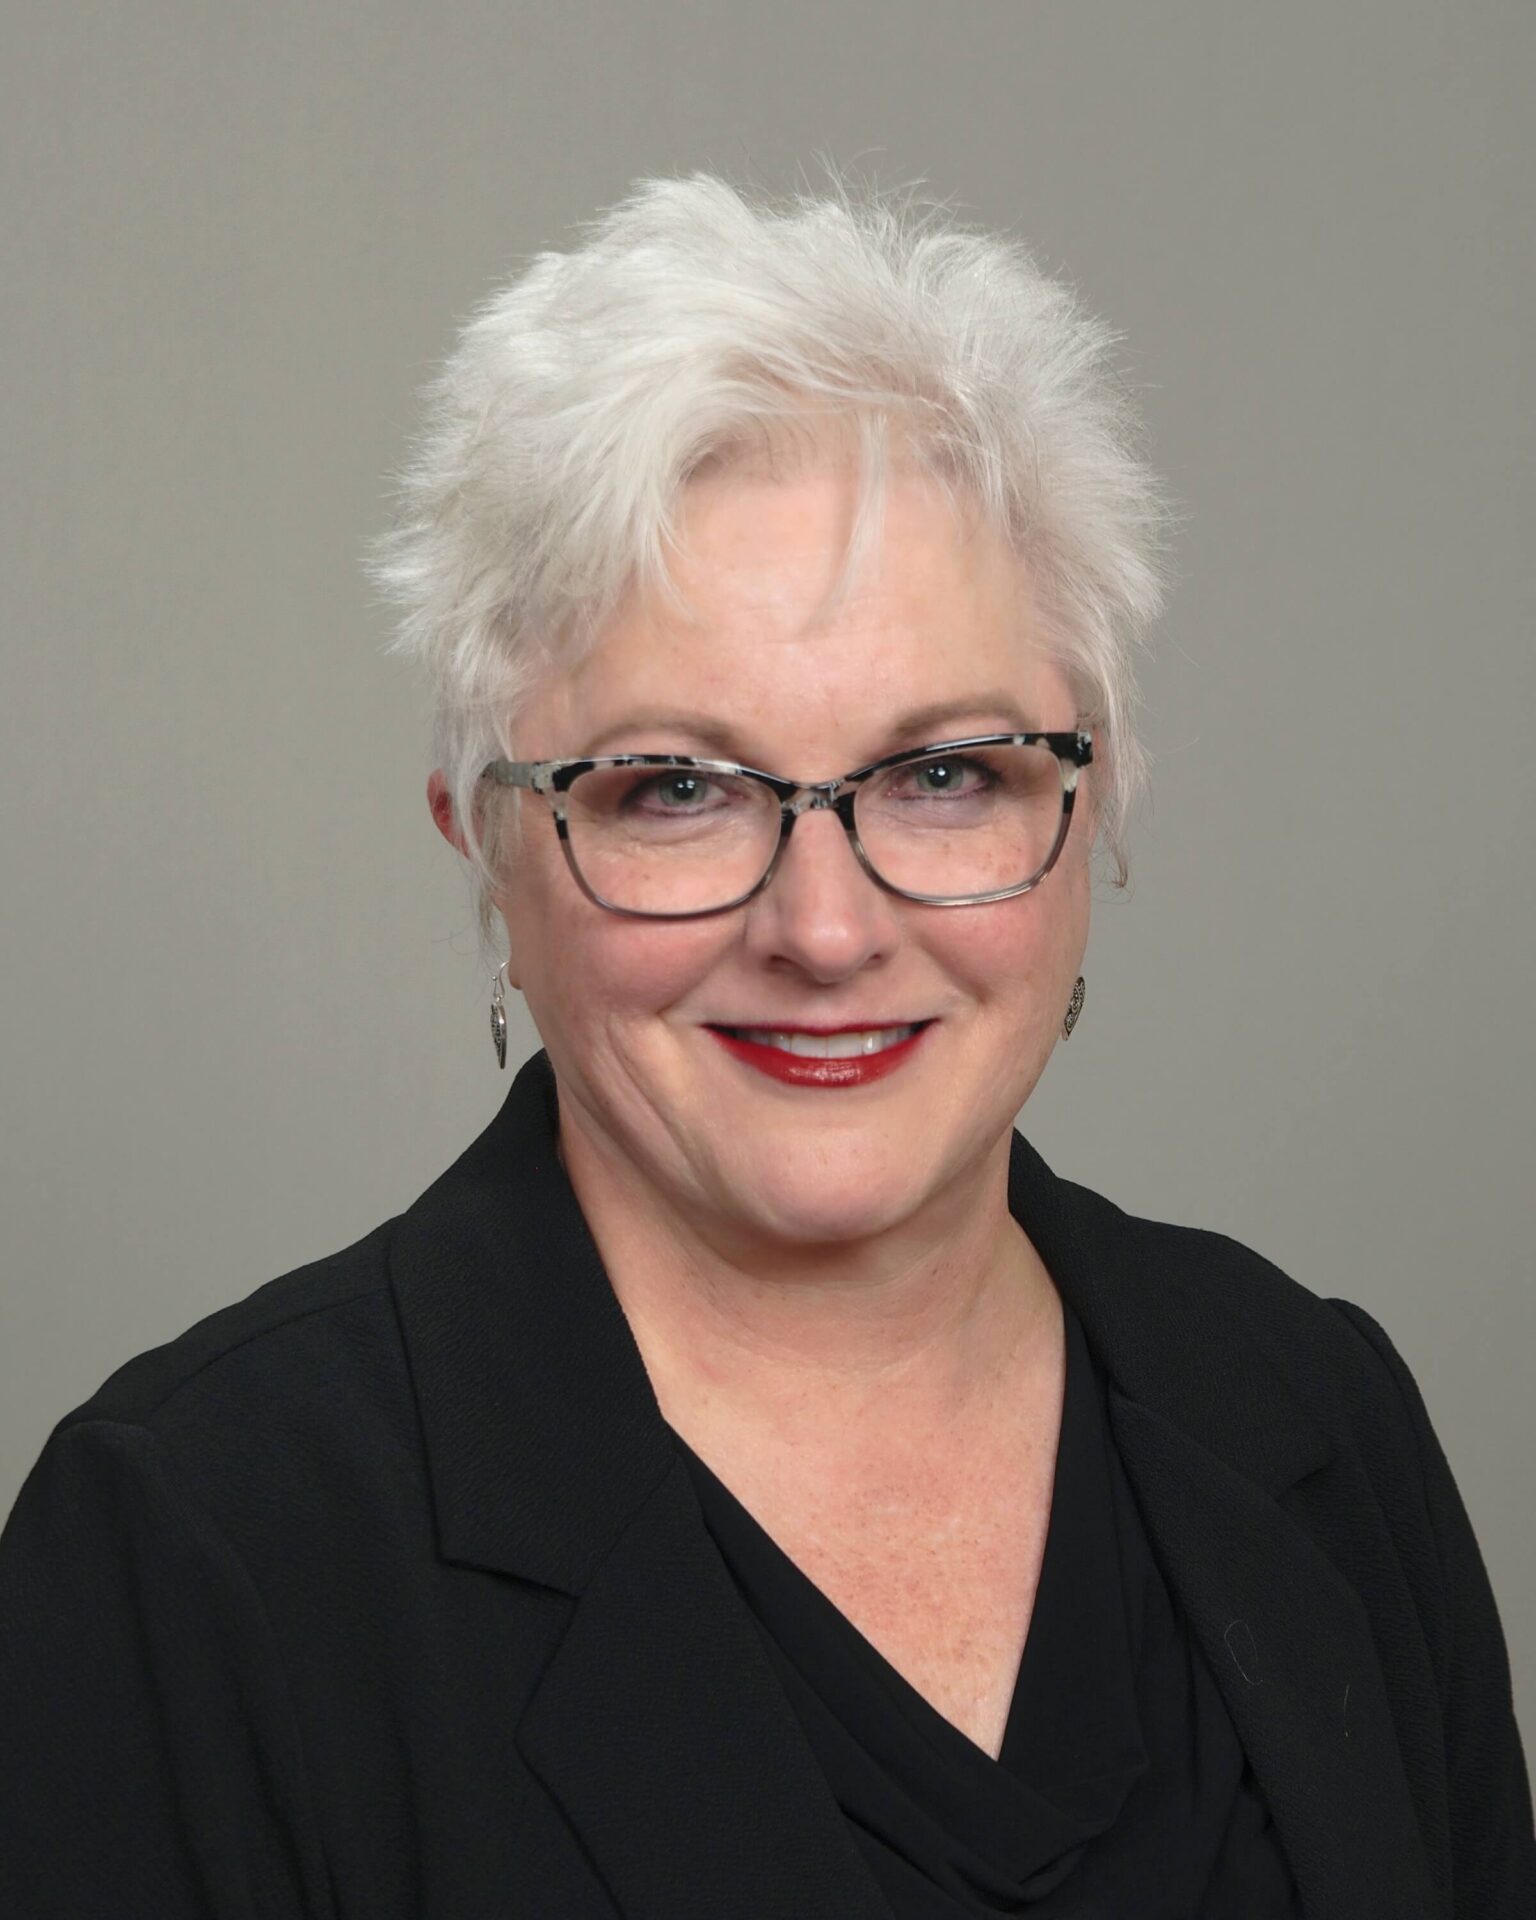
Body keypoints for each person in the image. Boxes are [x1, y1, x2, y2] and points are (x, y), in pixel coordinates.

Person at [1, 173, 1531, 1920]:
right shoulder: (201, 1551)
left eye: (946, 774)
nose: (821, 928)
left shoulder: (1313, 1417)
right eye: (675, 788)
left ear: (1091, 805)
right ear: (486, 843)